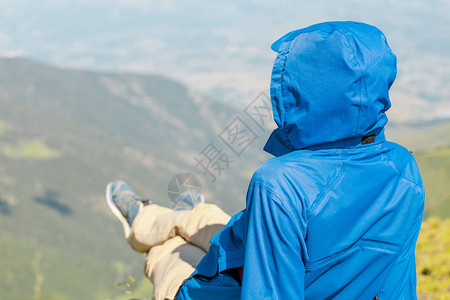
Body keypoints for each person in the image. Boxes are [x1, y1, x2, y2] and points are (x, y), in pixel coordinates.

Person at [106, 21, 424, 300]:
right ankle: (155, 215)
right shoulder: (403, 169)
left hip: (210, 288)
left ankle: (144, 231)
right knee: (203, 219)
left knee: (168, 251)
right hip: (247, 249)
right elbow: (398, 284)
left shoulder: (279, 182)